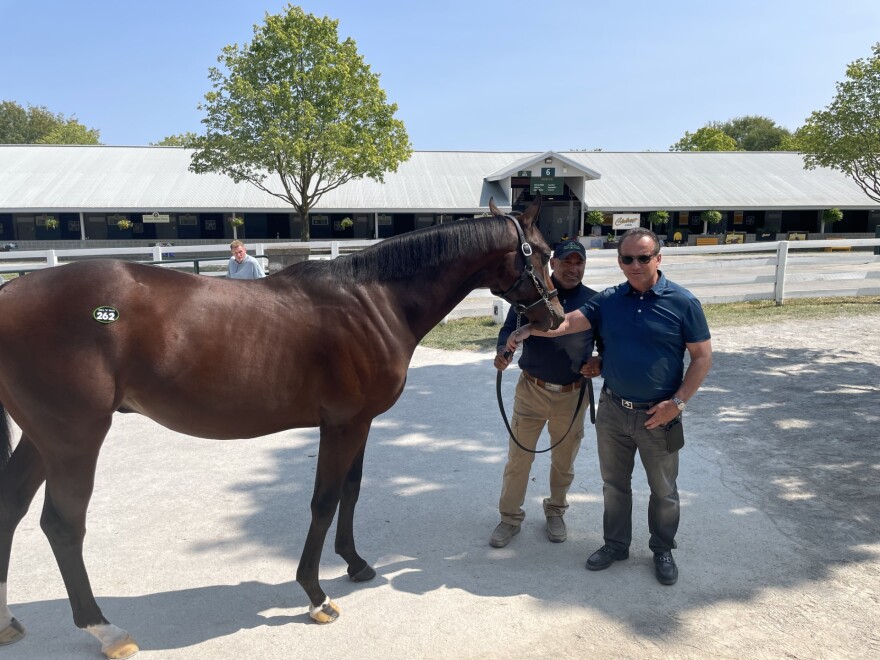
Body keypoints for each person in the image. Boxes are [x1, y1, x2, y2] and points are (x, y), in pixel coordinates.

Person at [506, 228, 712, 585]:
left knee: (664, 489)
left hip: (659, 414)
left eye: (643, 257)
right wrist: (530, 332)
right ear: (619, 261)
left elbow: (702, 357)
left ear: (658, 258)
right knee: (614, 485)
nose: (635, 264)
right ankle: (616, 544)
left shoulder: (683, 302)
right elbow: (568, 322)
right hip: (614, 409)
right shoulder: (609, 299)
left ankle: (662, 548)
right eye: (627, 258)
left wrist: (677, 404)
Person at [489, 239, 603, 548]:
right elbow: (508, 330)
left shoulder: (594, 302)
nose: (573, 268)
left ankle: (555, 511)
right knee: (518, 459)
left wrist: (598, 363)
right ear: (552, 263)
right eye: (567, 262)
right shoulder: (530, 296)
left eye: (579, 263)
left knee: (564, 462)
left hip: (573, 394)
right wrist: (504, 350)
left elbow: (604, 349)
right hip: (532, 390)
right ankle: (510, 517)